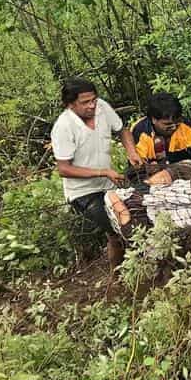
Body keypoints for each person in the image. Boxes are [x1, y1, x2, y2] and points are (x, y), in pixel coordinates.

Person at [50, 77, 141, 267]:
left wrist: (131, 151)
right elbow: (64, 169)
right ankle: (124, 274)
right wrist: (103, 172)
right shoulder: (63, 127)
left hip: (107, 185)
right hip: (83, 192)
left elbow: (122, 130)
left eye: (94, 100)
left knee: (127, 223)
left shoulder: (102, 108)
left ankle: (125, 272)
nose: (92, 106)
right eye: (85, 102)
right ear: (70, 104)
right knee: (119, 229)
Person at [127, 93, 191, 171]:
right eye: (168, 124)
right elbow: (136, 166)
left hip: (183, 170)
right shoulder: (139, 131)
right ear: (154, 119)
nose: (174, 127)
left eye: (177, 122)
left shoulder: (187, 126)